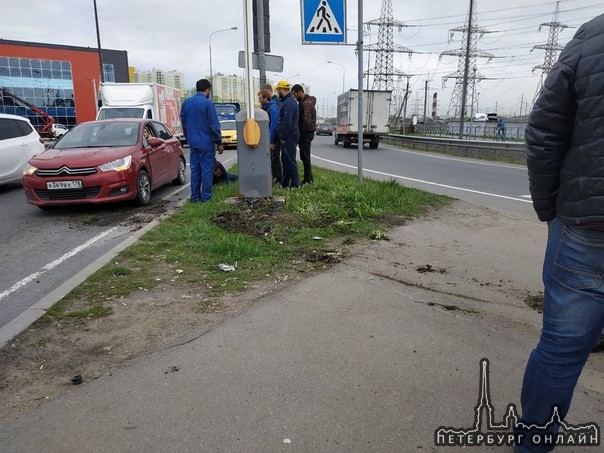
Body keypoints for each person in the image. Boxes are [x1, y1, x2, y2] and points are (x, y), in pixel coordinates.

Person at [516, 13, 604, 452]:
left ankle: (532, 447)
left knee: (561, 350)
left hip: (588, 226)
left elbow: (545, 131)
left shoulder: (594, 34)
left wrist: (551, 210)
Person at [180, 79, 224, 203]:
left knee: (195, 170)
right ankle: (206, 198)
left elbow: (183, 123)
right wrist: (219, 142)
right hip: (206, 143)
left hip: (193, 143)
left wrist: (188, 138)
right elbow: (214, 125)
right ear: (207, 90)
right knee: (207, 170)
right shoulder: (207, 104)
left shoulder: (186, 103)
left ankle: (194, 197)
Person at [275, 80, 299, 188]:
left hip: (289, 136)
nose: (277, 92)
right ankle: (285, 182)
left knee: (290, 160)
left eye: (278, 90)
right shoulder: (288, 101)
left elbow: (287, 121)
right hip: (289, 135)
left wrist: (283, 136)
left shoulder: (289, 102)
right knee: (285, 160)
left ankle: (295, 184)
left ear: (281, 89)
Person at [292, 84, 317, 184]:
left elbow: (306, 121)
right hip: (307, 133)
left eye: (294, 94)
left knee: (305, 157)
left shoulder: (306, 104)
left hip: (306, 134)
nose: (294, 97)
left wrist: (301, 133)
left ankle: (308, 179)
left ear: (299, 92)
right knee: (304, 156)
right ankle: (308, 177)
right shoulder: (305, 102)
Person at [258, 88, 282, 184]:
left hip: (275, 139)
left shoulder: (272, 108)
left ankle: (278, 179)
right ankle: (274, 178)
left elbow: (273, 126)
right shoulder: (267, 108)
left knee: (275, 159)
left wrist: (270, 141)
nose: (259, 100)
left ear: (266, 98)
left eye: (260, 98)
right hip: (271, 139)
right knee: (272, 159)